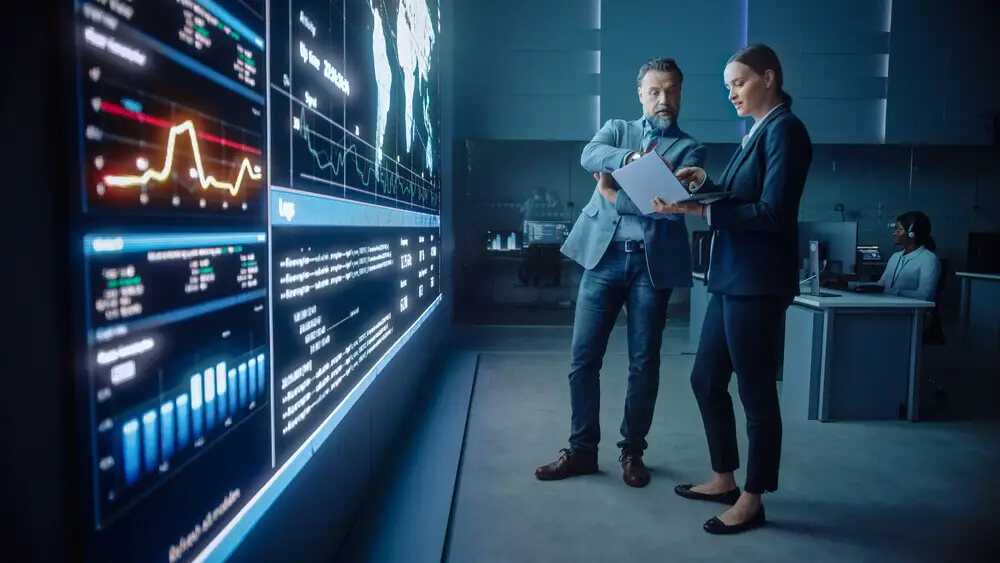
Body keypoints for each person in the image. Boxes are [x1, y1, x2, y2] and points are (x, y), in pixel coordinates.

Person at [651, 45, 812, 533]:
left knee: (757, 393)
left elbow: (773, 214)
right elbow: (740, 194)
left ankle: (753, 497)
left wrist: (696, 211)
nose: (731, 94)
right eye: (727, 87)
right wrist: (699, 183)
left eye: (738, 83)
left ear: (768, 77)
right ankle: (723, 475)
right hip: (731, 279)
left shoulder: (786, 130)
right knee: (705, 380)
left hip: (756, 284)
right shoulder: (759, 132)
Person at [534, 57, 706, 488]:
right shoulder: (615, 129)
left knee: (643, 364)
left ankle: (633, 452)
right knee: (582, 360)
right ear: (641, 94)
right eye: (654, 91)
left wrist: (612, 190)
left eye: (671, 91)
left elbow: (666, 210)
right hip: (603, 258)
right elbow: (589, 154)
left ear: (680, 94)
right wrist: (633, 159)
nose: (663, 99)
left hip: (652, 267)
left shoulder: (690, 150)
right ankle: (581, 451)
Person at [873, 211, 941, 301]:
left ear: (911, 233)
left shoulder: (929, 259)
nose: (894, 233)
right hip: (887, 306)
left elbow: (925, 295)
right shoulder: (895, 257)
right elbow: (881, 284)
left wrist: (894, 291)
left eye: (899, 229)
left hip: (909, 312)